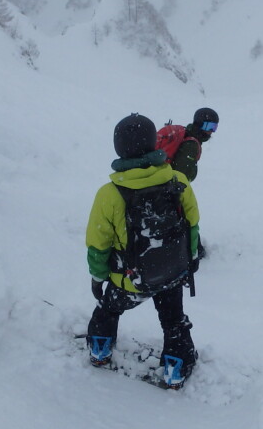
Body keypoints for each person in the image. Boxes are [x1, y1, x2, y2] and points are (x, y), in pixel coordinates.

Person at [85, 113, 201, 388]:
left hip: (128, 279)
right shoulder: (178, 180)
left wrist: (98, 277)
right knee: (174, 320)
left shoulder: (109, 194)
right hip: (172, 272)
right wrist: (190, 261)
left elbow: (97, 243)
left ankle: (100, 350)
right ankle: (176, 367)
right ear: (154, 143)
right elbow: (192, 226)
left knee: (108, 310)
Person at [168, 107, 219, 182]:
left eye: (214, 127)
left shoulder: (187, 134)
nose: (211, 131)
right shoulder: (191, 145)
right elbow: (180, 176)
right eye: (208, 127)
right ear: (199, 124)